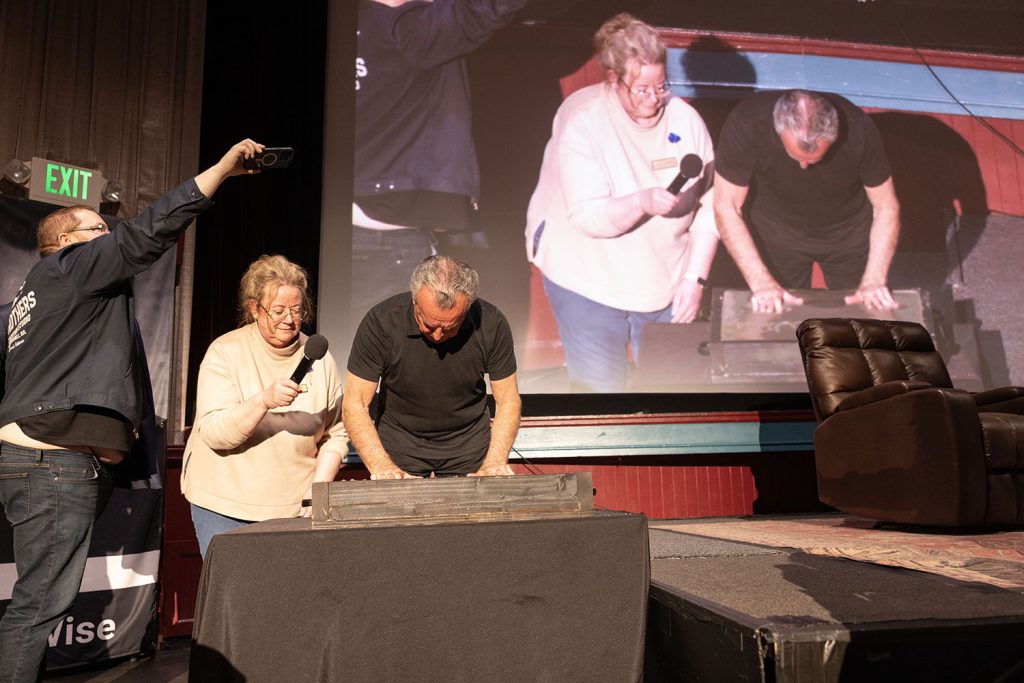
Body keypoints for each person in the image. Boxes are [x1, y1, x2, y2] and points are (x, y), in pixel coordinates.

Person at [0, 139, 261, 682]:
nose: (111, 238)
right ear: (66, 243)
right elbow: (147, 233)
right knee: (37, 607)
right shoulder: (70, 269)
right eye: (100, 230)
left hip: (47, 461)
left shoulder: (35, 295)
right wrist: (219, 171)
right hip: (53, 464)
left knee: (39, 602)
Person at [524, 13, 718, 393]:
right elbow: (589, 217)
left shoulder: (686, 121)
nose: (653, 100)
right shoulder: (583, 120)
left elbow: (710, 209)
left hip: (663, 277)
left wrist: (694, 280)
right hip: (587, 276)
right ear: (613, 80)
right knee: (600, 392)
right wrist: (642, 202)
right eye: (641, 90)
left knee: (669, 389)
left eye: (661, 87)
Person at [352, 0, 530, 326]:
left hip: (358, 227)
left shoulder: (352, 29)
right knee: (403, 366)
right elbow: (484, 9)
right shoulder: (406, 28)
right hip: (389, 242)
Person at [181, 255, 348, 557]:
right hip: (224, 507)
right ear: (254, 309)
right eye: (278, 311)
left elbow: (335, 435)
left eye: (297, 310)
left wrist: (316, 494)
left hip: (294, 511)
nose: (289, 319)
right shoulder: (225, 352)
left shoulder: (319, 358)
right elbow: (216, 435)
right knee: (235, 601)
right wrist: (262, 401)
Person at [713, 89, 901, 314]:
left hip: (848, 233)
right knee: (779, 316)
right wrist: (761, 282)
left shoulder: (858, 129)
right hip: (776, 232)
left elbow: (886, 206)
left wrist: (874, 279)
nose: (805, 167)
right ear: (778, 129)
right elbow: (727, 206)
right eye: (797, 158)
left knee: (862, 313)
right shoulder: (748, 122)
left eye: (816, 160)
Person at [343, 255, 520, 478]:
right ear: (415, 301)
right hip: (400, 445)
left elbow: (508, 400)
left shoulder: (491, 324)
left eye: (450, 327)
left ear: (466, 310)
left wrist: (494, 461)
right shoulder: (381, 322)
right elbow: (355, 403)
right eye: (428, 324)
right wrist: (381, 466)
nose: (438, 336)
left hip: (469, 445)